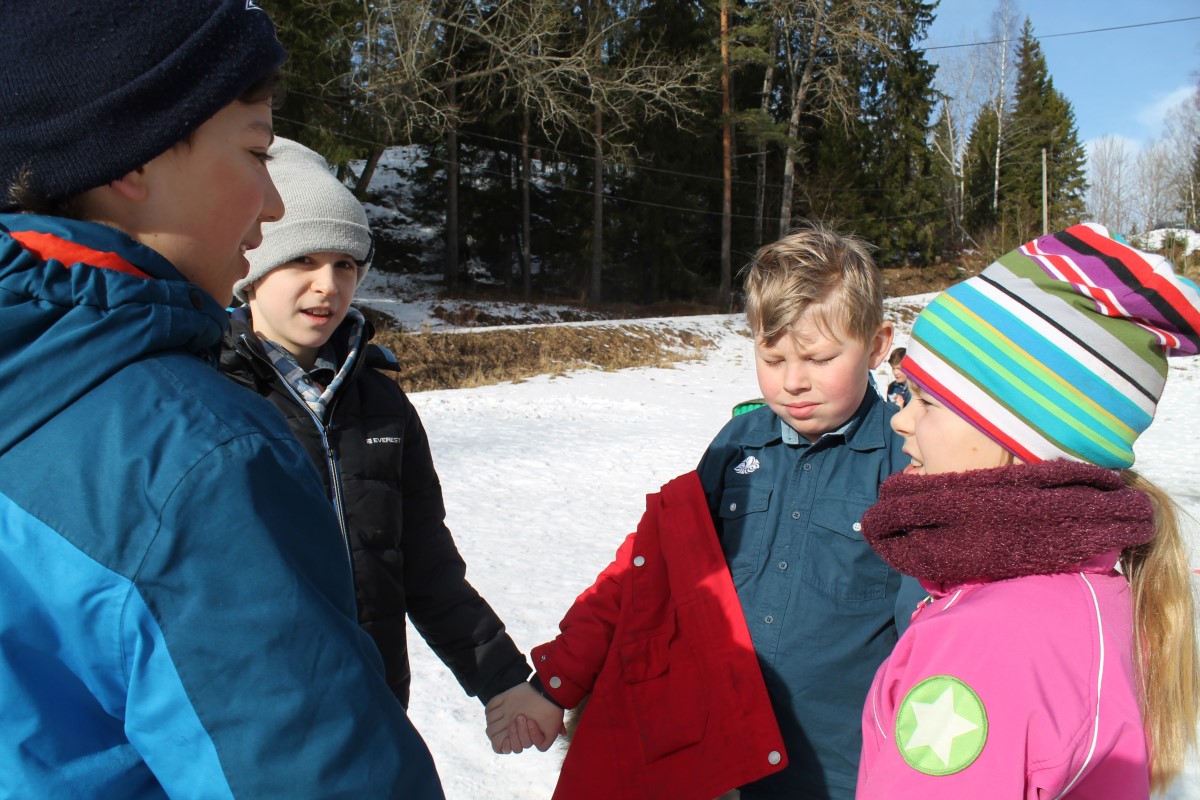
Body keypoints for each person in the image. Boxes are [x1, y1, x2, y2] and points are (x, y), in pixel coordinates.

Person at [0, 2, 443, 797]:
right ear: (129, 158)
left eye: (348, 265)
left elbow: (429, 565)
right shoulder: (191, 454)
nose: (270, 205)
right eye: (254, 150)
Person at [487, 226, 917, 800]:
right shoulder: (735, 448)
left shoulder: (908, 461)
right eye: (773, 356)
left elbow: (933, 637)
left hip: (843, 772)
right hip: (718, 760)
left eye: (819, 357)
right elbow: (648, 571)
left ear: (877, 343)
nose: (793, 381)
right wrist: (553, 685)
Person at [857, 223, 1200, 798]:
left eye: (929, 400)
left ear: (1020, 437)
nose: (901, 419)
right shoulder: (1102, 589)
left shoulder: (986, 640)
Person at [221, 136, 532, 710]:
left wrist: (503, 681)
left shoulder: (382, 406)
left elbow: (425, 563)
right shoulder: (208, 393)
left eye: (345, 264)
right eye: (303, 260)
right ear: (253, 270)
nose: (328, 285)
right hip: (257, 713)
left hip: (375, 701)